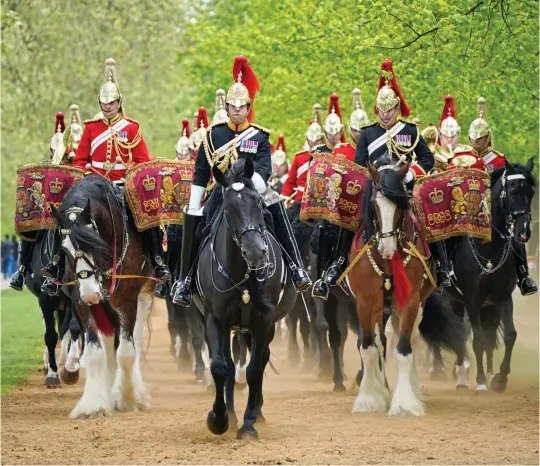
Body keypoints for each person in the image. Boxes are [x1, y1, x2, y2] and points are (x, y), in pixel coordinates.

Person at [172, 55, 311, 306]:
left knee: (277, 209)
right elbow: (202, 172)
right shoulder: (212, 135)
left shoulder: (259, 136)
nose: (237, 110)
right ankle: (186, 280)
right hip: (220, 191)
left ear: (248, 108)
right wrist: (194, 204)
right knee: (196, 222)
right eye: (233, 106)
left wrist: (247, 188)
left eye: (241, 106)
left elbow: (264, 169)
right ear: (226, 108)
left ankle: (295, 267)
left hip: (253, 189)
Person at [40, 58, 171, 295]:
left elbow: (142, 160)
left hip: (122, 184)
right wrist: (89, 176)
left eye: (111, 103)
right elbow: (80, 160)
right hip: (94, 184)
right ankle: (57, 264)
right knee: (66, 214)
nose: (107, 107)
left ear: (119, 103)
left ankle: (157, 260)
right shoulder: (91, 127)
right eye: (103, 103)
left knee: (145, 212)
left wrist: (130, 177)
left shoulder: (131, 127)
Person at [468, 97, 537, 295]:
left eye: (481, 139)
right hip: (469, 210)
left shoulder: (499, 160)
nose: (477, 142)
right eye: (474, 139)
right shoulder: (462, 157)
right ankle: (445, 271)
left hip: (496, 211)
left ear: (488, 138)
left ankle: (523, 277)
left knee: (514, 236)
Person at [9, 112, 65, 291]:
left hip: (69, 213)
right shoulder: (46, 167)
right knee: (29, 227)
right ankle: (22, 269)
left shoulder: (76, 168)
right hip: (47, 213)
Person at [281, 104, 324, 204]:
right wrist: (285, 197)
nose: (313, 143)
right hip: (300, 200)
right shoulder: (299, 157)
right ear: (307, 140)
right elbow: (290, 181)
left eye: (317, 140)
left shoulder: (327, 157)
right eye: (311, 140)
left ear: (321, 140)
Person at [333, 88, 370, 161]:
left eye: (361, 130)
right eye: (354, 130)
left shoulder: (375, 148)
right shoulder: (340, 151)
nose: (358, 134)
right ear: (349, 129)